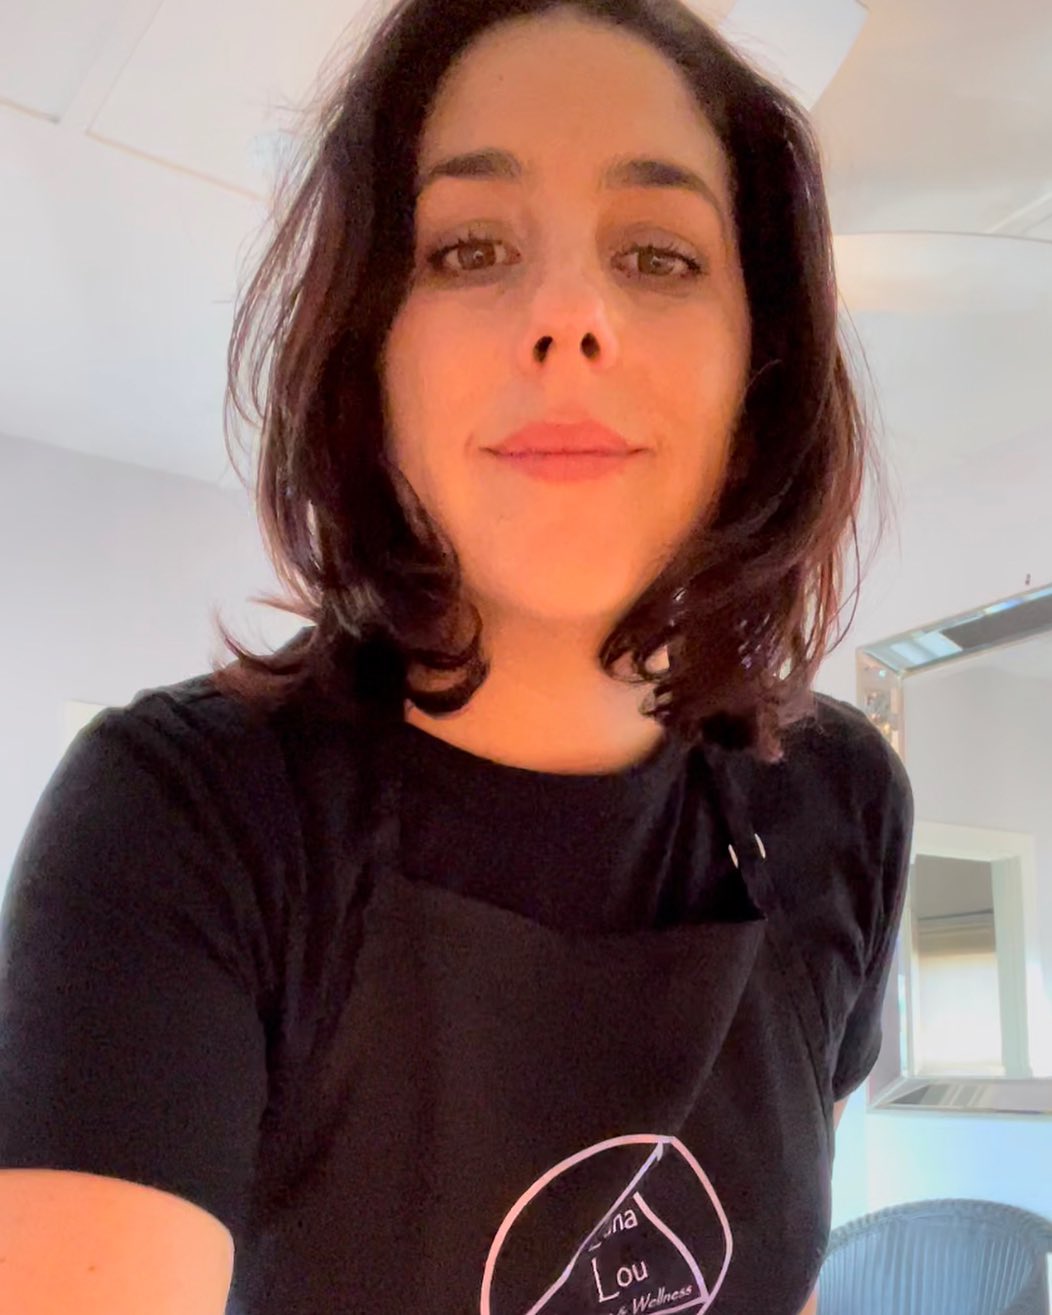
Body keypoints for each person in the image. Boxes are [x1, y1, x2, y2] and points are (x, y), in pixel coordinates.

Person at [0, 1, 915, 1312]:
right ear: (372, 355)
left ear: (756, 371)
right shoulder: (176, 818)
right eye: (471, 248)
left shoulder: (844, 803)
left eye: (658, 255)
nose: (570, 313)